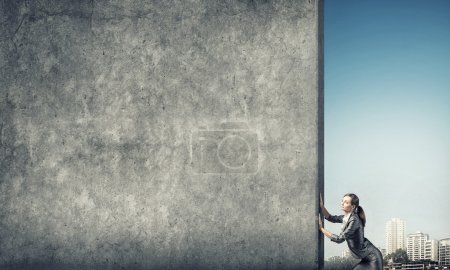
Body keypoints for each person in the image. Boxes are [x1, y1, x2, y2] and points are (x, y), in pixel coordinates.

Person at [318, 193, 384, 270]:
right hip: (365, 258)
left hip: (373, 258)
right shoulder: (346, 218)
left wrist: (321, 229)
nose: (342, 203)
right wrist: (322, 207)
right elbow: (331, 218)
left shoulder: (354, 220)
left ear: (353, 206)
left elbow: (339, 239)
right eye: (342, 201)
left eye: (346, 202)